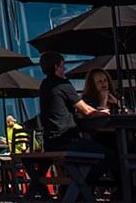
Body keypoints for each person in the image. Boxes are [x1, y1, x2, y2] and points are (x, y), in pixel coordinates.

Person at [37, 52, 113, 185]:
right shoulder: (62, 84)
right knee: (109, 156)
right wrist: (104, 112)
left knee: (98, 154)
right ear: (56, 66)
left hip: (50, 142)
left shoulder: (44, 85)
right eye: (63, 65)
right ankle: (82, 188)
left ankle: (74, 189)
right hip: (67, 140)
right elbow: (87, 110)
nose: (65, 69)